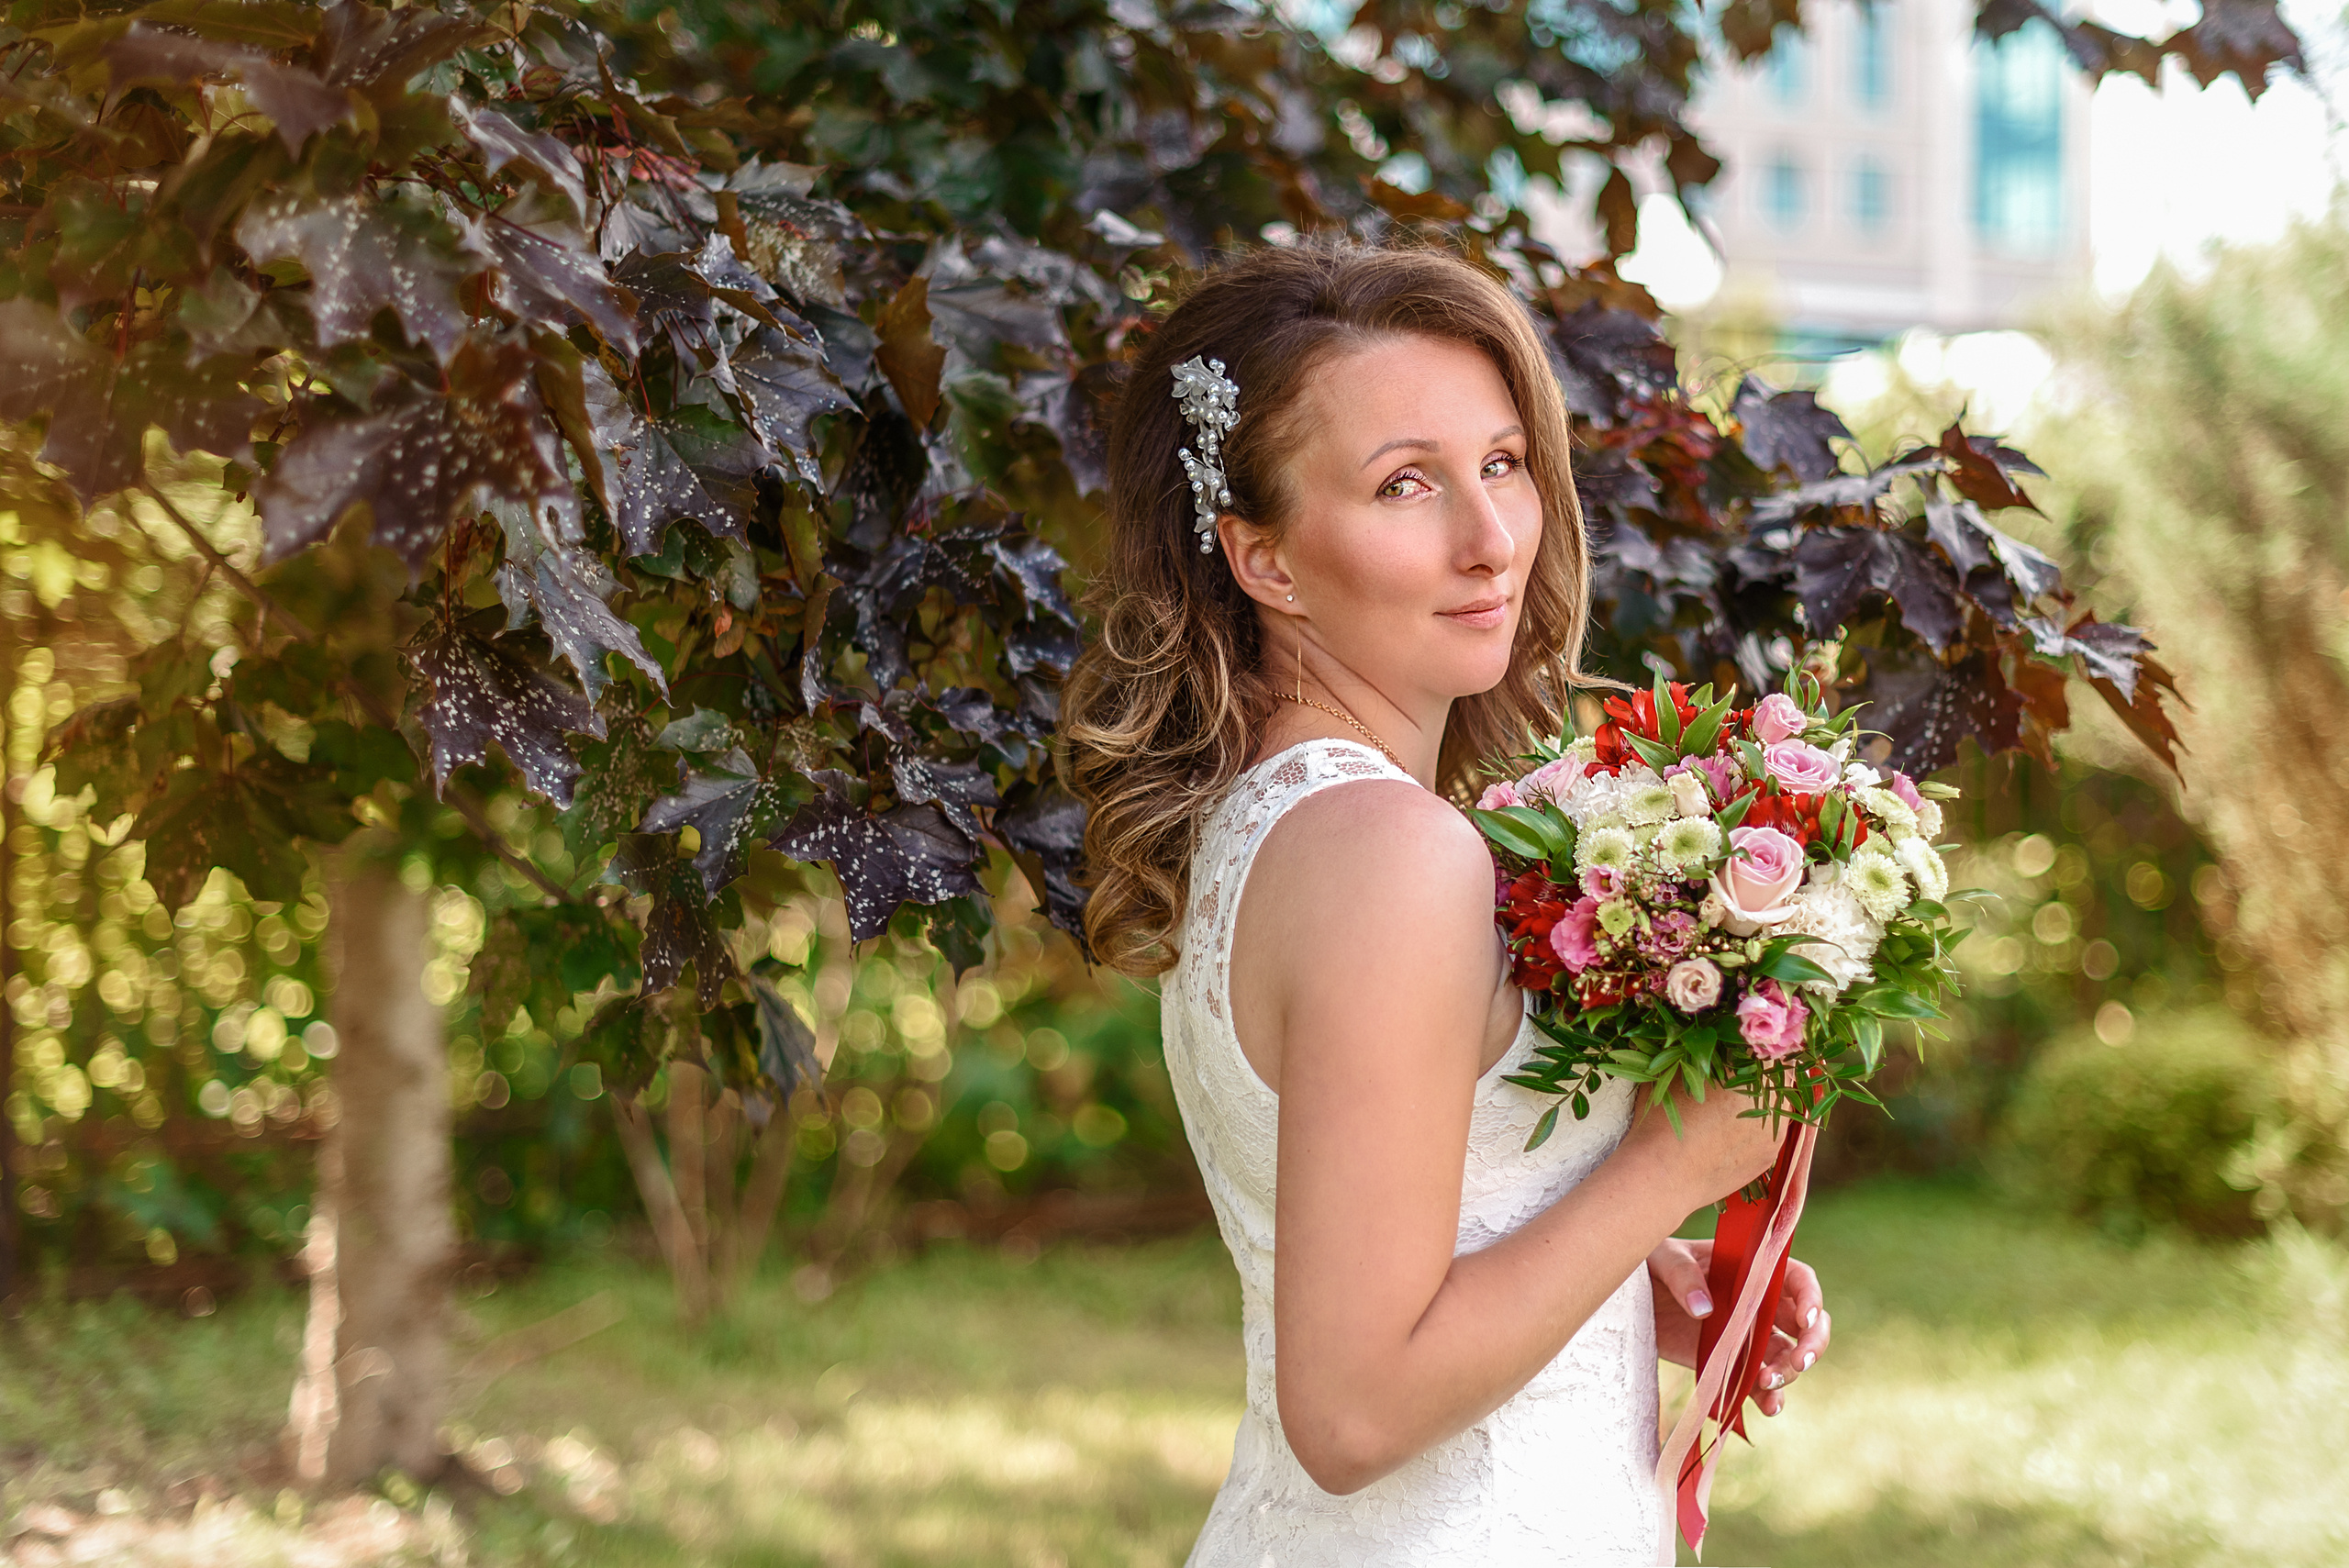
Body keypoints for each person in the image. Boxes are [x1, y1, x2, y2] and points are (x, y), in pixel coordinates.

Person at [1060, 240, 1832, 1565]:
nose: (1490, 541)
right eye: (1404, 484)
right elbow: (1354, 1410)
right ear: (1266, 560)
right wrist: (1672, 1169)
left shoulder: (1281, 823)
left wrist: (1635, 1290)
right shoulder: (1391, 853)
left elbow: (1377, 1226)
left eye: (1503, 463)